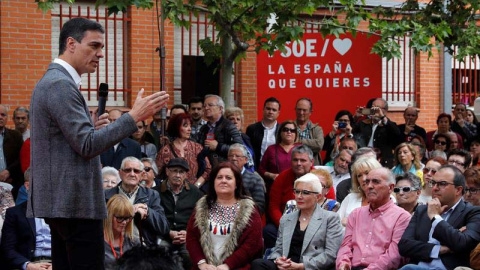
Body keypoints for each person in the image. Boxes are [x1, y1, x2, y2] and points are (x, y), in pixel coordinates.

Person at [28, 17, 169, 269]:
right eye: (94, 46)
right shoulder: (60, 84)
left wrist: (94, 129)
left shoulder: (57, 82)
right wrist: (133, 116)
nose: (100, 54)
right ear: (71, 43)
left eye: (101, 47)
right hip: (73, 204)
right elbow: (87, 146)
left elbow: (74, 142)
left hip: (66, 203)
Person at [251, 173, 343, 270]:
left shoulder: (330, 218)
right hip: (286, 266)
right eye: (297, 191)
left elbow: (330, 255)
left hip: (309, 267)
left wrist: (301, 266)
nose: (299, 196)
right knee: (258, 264)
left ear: (318, 196)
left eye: (305, 192)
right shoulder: (286, 218)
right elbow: (278, 249)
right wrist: (278, 260)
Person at [398, 165, 480, 270]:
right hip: (417, 266)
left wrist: (435, 217)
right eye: (433, 183)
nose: (435, 188)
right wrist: (440, 249)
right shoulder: (422, 210)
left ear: (458, 190)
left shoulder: (472, 213)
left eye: (442, 184)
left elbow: (462, 243)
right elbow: (404, 246)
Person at [186, 162, 263, 270]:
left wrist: (228, 265)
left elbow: (252, 244)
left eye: (228, 178)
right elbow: (191, 238)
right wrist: (201, 263)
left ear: (237, 183)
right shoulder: (202, 206)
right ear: (213, 182)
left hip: (237, 267)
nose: (223, 181)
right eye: (219, 177)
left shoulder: (250, 210)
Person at [336, 167, 411, 270]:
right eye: (367, 182)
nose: (369, 186)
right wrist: (343, 263)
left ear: (391, 187)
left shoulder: (402, 217)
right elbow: (345, 246)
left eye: (376, 182)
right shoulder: (356, 214)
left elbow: (394, 255)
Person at [104, 157, 169, 246]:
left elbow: (164, 228)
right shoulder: (106, 195)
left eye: (136, 171)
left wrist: (147, 212)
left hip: (141, 246)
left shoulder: (152, 195)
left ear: (142, 175)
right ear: (120, 173)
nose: (132, 174)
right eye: (127, 170)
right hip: (111, 245)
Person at [153, 158, 203, 270]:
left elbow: (203, 218)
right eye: (174, 171)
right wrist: (168, 232)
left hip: (187, 237)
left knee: (190, 256)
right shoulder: (155, 192)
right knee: (160, 257)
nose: (178, 175)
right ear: (167, 172)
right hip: (163, 236)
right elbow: (152, 219)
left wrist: (188, 234)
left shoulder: (195, 193)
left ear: (186, 175)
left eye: (181, 172)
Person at [1, 171, 51, 270]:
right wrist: (28, 265)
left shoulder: (64, 213)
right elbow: (7, 248)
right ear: (27, 186)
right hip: (29, 264)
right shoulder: (15, 214)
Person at [156, 113, 211, 188]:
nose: (189, 129)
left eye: (190, 126)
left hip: (193, 192)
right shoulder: (165, 150)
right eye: (185, 126)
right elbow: (156, 173)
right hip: (172, 191)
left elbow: (208, 170)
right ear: (176, 127)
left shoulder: (196, 147)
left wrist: (197, 185)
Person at [195, 95, 243, 167]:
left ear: (220, 108)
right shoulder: (204, 128)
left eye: (210, 105)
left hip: (223, 168)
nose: (206, 108)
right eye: (204, 106)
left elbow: (239, 147)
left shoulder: (228, 126)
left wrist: (218, 146)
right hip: (206, 168)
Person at [352, 98, 402, 167]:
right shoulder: (363, 123)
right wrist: (355, 118)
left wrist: (382, 117)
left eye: (377, 108)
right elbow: (350, 133)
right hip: (363, 160)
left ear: (385, 111)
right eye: (372, 107)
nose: (374, 110)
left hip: (383, 162)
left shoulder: (388, 125)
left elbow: (397, 134)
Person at [337, 157, 383, 226]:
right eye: (359, 175)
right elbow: (336, 223)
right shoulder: (350, 198)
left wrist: (351, 222)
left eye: (367, 173)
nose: (363, 179)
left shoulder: (387, 198)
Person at [259, 120, 302, 185]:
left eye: (292, 130)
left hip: (297, 186)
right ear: (280, 132)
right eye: (286, 129)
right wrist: (271, 175)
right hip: (277, 185)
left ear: (296, 134)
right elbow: (261, 169)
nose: (289, 132)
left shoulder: (301, 148)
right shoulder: (271, 149)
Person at [227, 143, 265, 214]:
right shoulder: (222, 177)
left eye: (237, 156)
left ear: (245, 160)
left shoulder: (255, 179)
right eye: (231, 156)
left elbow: (260, 207)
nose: (234, 158)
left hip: (246, 217)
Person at [104, 194, 137, 269]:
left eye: (127, 218)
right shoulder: (97, 242)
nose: (124, 222)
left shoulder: (133, 240)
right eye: (120, 218)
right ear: (109, 217)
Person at [246, 97, 281, 169]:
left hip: (276, 170)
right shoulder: (252, 129)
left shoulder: (282, 130)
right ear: (263, 109)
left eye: (274, 110)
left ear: (278, 113)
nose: (270, 112)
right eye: (268, 109)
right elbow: (248, 151)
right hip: (256, 169)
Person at [0, 105, 24, 198]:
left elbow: (20, 158)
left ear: (7, 118)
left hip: (12, 185)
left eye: (3, 115)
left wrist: (9, 171)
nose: (0, 117)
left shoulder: (15, 136)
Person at [294, 97, 324, 165]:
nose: (301, 113)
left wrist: (299, 141)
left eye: (304, 110)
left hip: (312, 168)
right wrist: (310, 144)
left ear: (310, 112)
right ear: (295, 110)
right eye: (299, 109)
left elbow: (319, 145)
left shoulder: (317, 129)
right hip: (293, 166)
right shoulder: (289, 127)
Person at [225, 107, 255, 171]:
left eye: (238, 119)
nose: (235, 121)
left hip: (249, 173)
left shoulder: (245, 137)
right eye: (232, 119)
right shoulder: (224, 137)